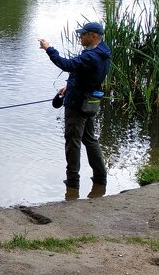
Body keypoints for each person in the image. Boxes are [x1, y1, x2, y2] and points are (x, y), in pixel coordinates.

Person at [38, 21, 111, 199]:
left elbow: (67, 65)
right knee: (89, 139)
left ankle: (72, 183)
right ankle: (100, 178)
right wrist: (69, 86)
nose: (80, 36)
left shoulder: (92, 56)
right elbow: (86, 76)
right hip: (90, 101)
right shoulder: (102, 52)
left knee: (73, 141)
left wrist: (49, 49)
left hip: (77, 105)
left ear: (93, 36)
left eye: (83, 34)